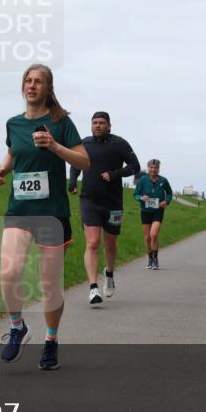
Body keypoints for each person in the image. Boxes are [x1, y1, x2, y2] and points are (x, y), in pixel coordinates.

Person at [0, 64, 90, 370]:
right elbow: (13, 152)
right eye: (28, 81)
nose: (32, 85)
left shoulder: (61, 122)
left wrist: (55, 146)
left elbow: (84, 161)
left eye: (38, 82)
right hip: (19, 210)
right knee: (8, 272)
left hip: (51, 214)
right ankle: (17, 326)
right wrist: (2, 170)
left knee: (50, 285)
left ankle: (51, 340)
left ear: (48, 89)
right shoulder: (13, 123)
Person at [68, 112, 139, 305]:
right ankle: (93, 288)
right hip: (89, 200)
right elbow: (75, 163)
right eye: (94, 122)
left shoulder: (120, 143)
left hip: (113, 202)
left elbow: (135, 166)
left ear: (109, 125)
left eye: (101, 123)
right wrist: (73, 182)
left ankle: (108, 274)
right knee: (92, 243)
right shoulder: (85, 144)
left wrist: (115, 174)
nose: (97, 126)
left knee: (110, 243)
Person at [134, 160, 172, 270]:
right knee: (147, 238)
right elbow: (136, 194)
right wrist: (141, 198)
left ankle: (156, 260)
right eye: (151, 167)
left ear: (158, 168)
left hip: (158, 210)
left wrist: (166, 201)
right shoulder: (143, 180)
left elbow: (169, 193)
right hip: (145, 211)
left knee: (153, 234)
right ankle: (150, 259)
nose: (153, 169)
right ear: (148, 168)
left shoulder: (163, 180)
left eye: (155, 167)